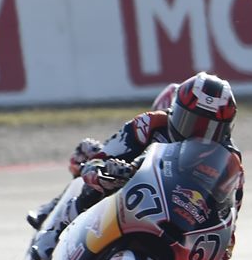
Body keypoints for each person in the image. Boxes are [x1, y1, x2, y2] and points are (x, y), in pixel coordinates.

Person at [31, 72, 243, 260]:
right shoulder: (149, 123)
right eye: (191, 123)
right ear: (175, 112)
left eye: (208, 129)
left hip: (179, 220)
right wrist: (103, 170)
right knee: (94, 182)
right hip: (129, 191)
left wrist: (225, 247)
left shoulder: (230, 160)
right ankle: (54, 232)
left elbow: (230, 212)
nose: (196, 136)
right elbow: (101, 158)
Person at [26, 82, 182, 230]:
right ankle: (53, 220)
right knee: (88, 158)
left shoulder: (194, 148)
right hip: (126, 186)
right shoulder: (148, 126)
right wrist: (95, 164)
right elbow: (107, 154)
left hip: (167, 200)